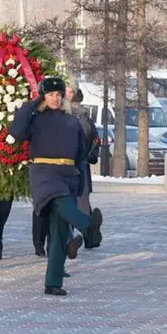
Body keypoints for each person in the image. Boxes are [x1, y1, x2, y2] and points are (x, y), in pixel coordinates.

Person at [9, 76, 104, 296]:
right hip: (43, 173)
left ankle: (53, 282)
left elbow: (80, 154)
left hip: (68, 173)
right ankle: (89, 228)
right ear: (44, 96)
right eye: (51, 94)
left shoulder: (72, 121)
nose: (56, 98)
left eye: (59, 94)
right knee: (61, 202)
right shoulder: (34, 119)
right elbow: (16, 131)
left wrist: (80, 182)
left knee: (60, 229)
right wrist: (34, 103)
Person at [71, 89, 100, 249]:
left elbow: (92, 139)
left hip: (77, 165)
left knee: (77, 202)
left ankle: (87, 233)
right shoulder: (84, 119)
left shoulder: (82, 119)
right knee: (81, 203)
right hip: (79, 166)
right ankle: (91, 234)